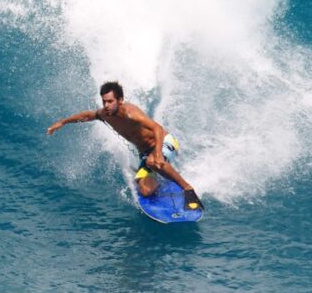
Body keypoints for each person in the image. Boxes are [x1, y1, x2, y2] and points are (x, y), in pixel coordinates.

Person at [46, 81, 203, 211]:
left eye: (110, 101)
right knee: (145, 191)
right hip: (147, 153)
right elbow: (87, 115)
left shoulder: (130, 113)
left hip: (166, 142)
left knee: (152, 161)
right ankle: (157, 174)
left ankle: (188, 189)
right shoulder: (105, 115)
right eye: (104, 101)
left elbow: (157, 129)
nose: (106, 105)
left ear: (119, 100)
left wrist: (158, 153)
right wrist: (63, 122)